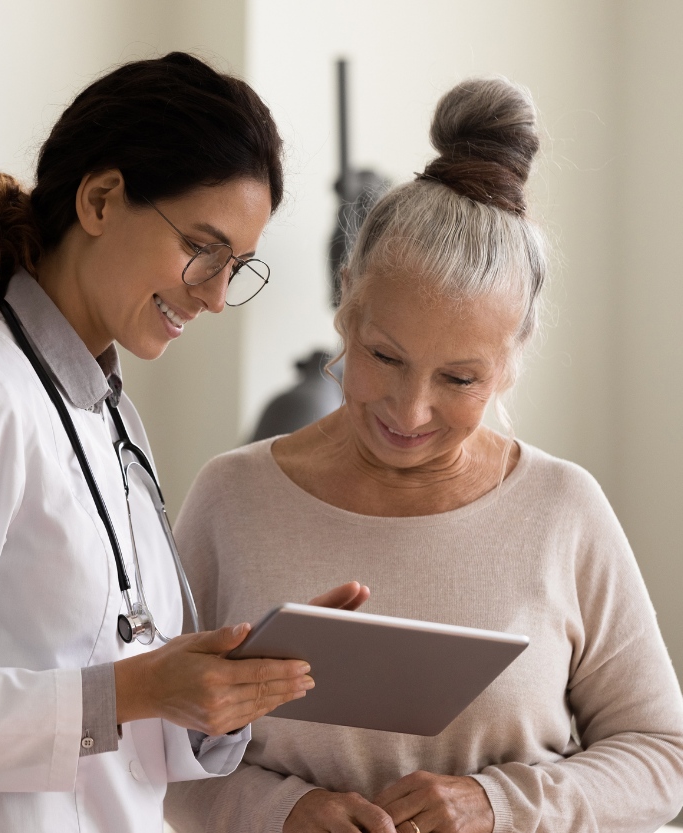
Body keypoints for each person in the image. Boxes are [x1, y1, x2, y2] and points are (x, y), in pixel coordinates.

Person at [164, 77, 683, 833]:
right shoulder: (232, 496)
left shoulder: (561, 508)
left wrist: (497, 805)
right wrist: (283, 811)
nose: (408, 411)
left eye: (459, 378)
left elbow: (662, 754)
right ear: (346, 300)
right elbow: (159, 750)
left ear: (511, 361)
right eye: (383, 354)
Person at [0, 53, 319, 833]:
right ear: (99, 199)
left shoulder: (106, 410)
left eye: (237, 266)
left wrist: (214, 696)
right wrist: (137, 690)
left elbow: (113, 729)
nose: (217, 295)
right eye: (202, 246)